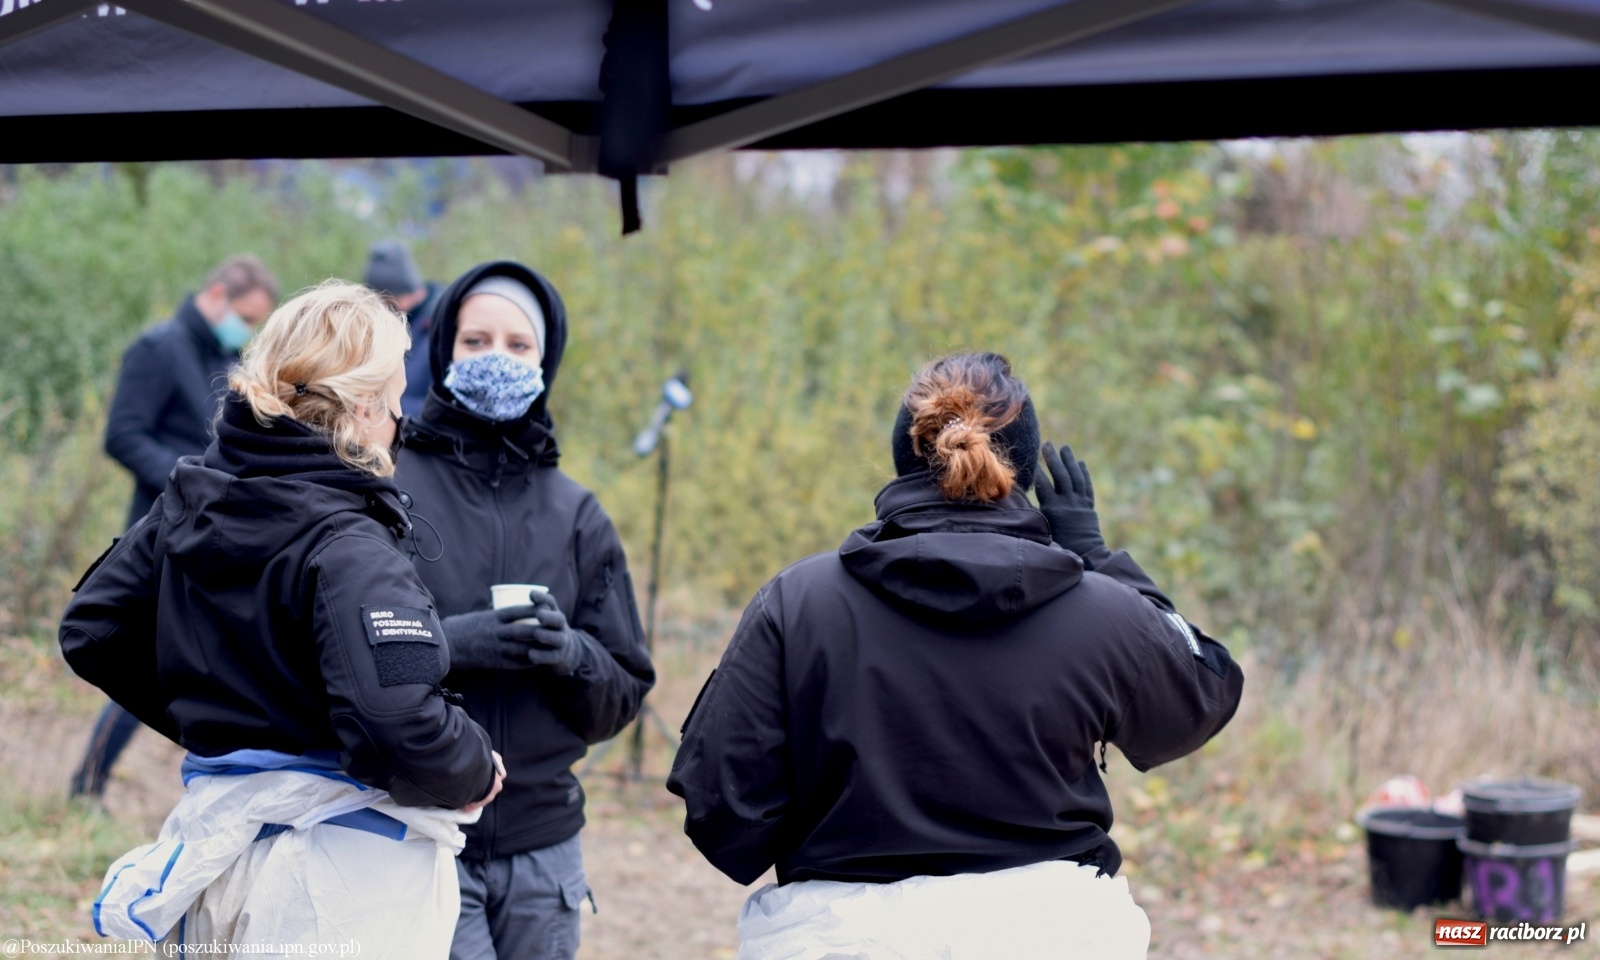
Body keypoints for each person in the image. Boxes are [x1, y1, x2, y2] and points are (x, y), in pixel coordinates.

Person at [667, 352, 1246, 960]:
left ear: (903, 457)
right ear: (1019, 470)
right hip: (1054, 938)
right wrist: (1100, 559)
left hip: (839, 939)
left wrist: (834, 839)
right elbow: (1205, 694)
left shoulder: (797, 602)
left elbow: (723, 811)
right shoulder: (1100, 608)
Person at [60, 281, 502, 952]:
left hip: (214, 849)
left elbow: (93, 629)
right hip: (333, 882)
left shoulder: (193, 496)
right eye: (393, 406)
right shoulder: (350, 544)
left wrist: (231, 732)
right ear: (360, 410)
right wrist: (474, 768)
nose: (399, 427)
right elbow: (399, 724)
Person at [394, 260, 656, 960]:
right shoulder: (389, 490)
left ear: (548, 359)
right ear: (443, 346)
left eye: (518, 345)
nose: (496, 359)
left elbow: (622, 695)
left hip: (546, 849)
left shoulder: (578, 515)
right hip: (419, 836)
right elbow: (340, 664)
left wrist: (571, 655)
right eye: (476, 342)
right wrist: (451, 643)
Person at [71, 254, 279, 799]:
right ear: (216, 296)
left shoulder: (227, 354)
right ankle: (87, 782)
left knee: (196, 657)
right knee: (157, 655)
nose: (249, 329)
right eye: (246, 316)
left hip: (215, 533)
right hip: (160, 531)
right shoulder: (158, 348)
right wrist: (186, 481)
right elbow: (123, 435)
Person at [364, 239, 443, 418]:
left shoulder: (443, 327)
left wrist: (383, 406)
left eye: (385, 302)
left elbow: (444, 404)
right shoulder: (385, 324)